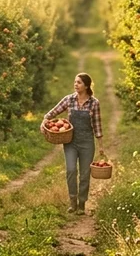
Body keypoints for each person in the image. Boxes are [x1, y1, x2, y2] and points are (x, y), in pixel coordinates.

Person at [43, 72, 102, 214]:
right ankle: (72, 201)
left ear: (86, 86)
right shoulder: (69, 100)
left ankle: (82, 203)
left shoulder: (94, 103)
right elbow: (53, 112)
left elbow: (97, 125)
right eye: (75, 82)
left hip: (87, 142)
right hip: (71, 141)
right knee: (71, 170)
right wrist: (45, 120)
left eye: (79, 82)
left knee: (84, 173)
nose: (76, 84)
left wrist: (101, 146)